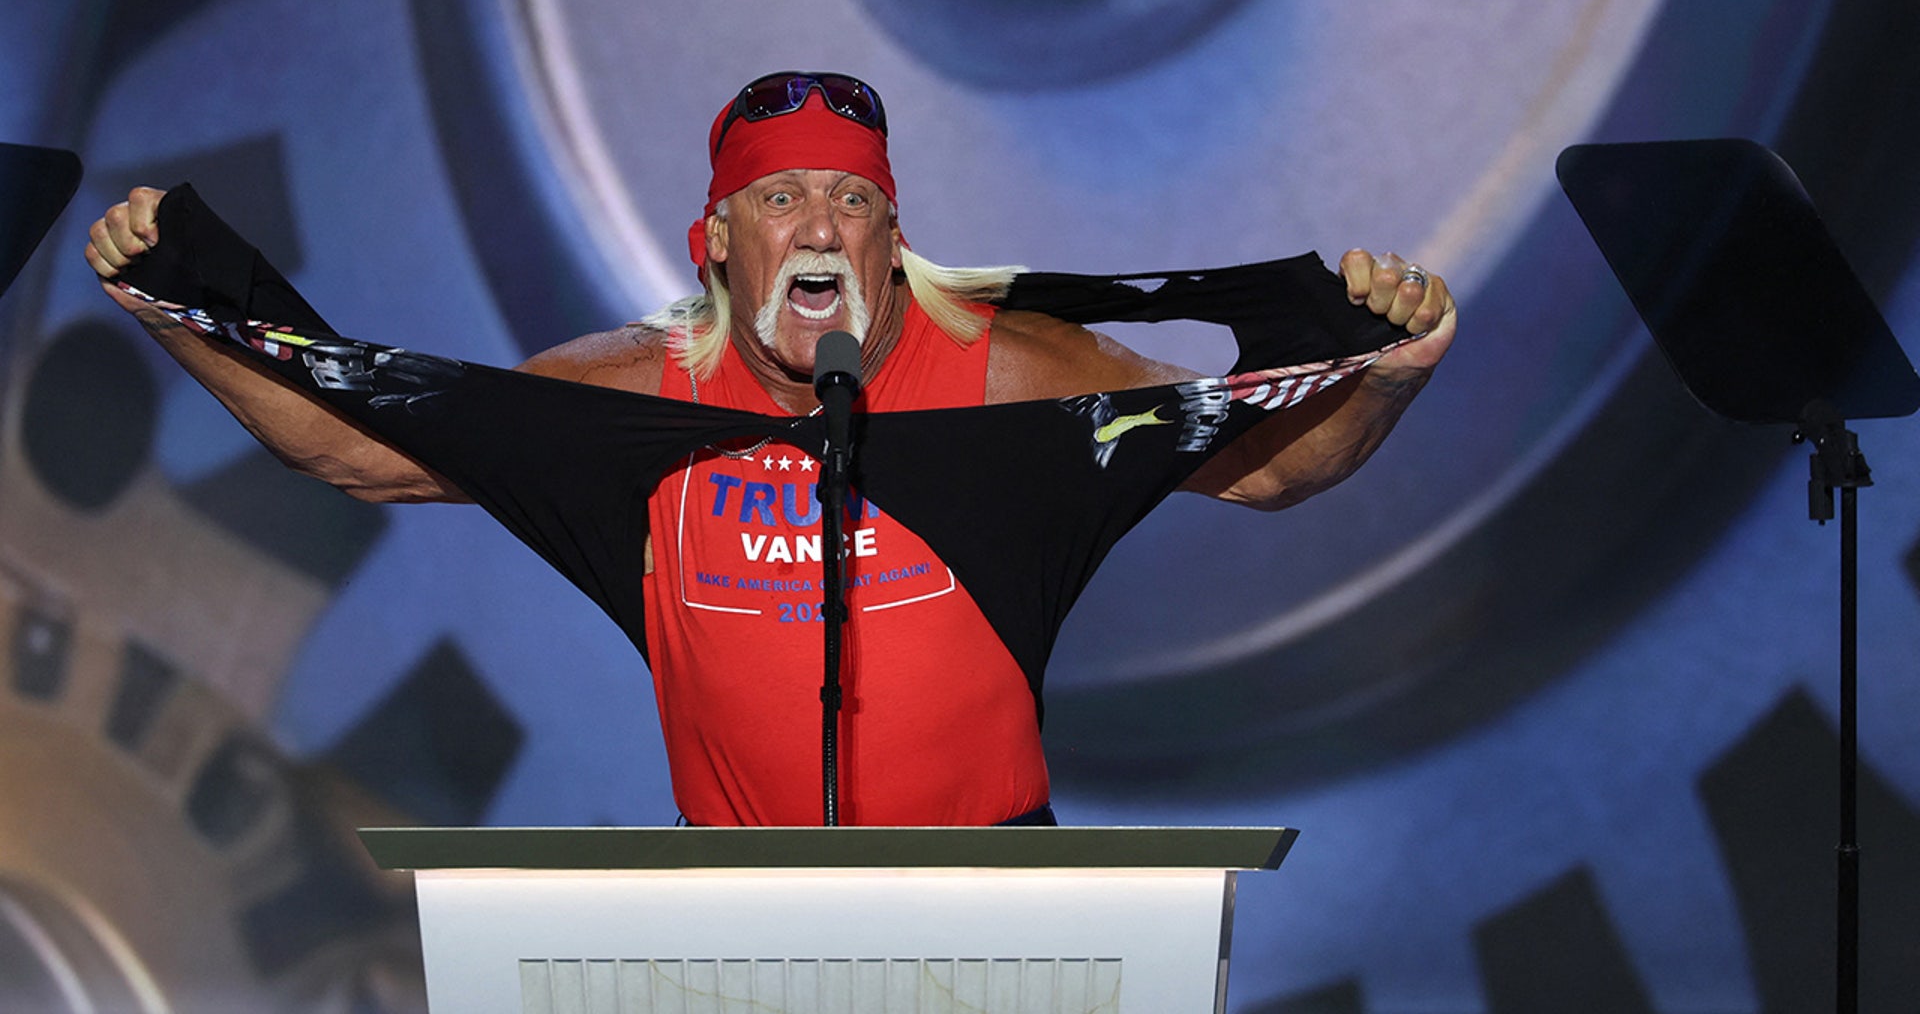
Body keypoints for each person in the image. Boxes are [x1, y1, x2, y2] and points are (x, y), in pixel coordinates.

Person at [85, 71, 1455, 827]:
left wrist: (1387, 382)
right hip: (736, 920)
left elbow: (1276, 466)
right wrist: (177, 310)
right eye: (781, 196)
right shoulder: (627, 399)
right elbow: (352, 446)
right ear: (715, 240)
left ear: (892, 242)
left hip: (1009, 901)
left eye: (854, 201)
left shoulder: (1016, 377)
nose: (819, 225)